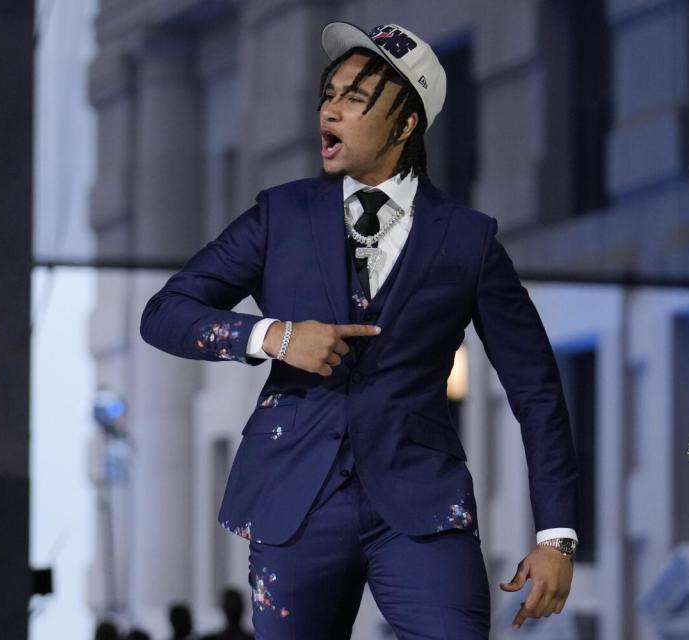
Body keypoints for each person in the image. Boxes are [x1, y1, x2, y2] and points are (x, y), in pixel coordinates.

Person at [140, 20, 579, 639]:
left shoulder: (468, 239)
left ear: (404, 124)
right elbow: (165, 314)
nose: (330, 110)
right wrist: (273, 336)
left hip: (421, 507)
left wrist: (556, 535)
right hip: (294, 499)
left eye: (354, 97)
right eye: (328, 94)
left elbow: (535, 388)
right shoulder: (280, 215)